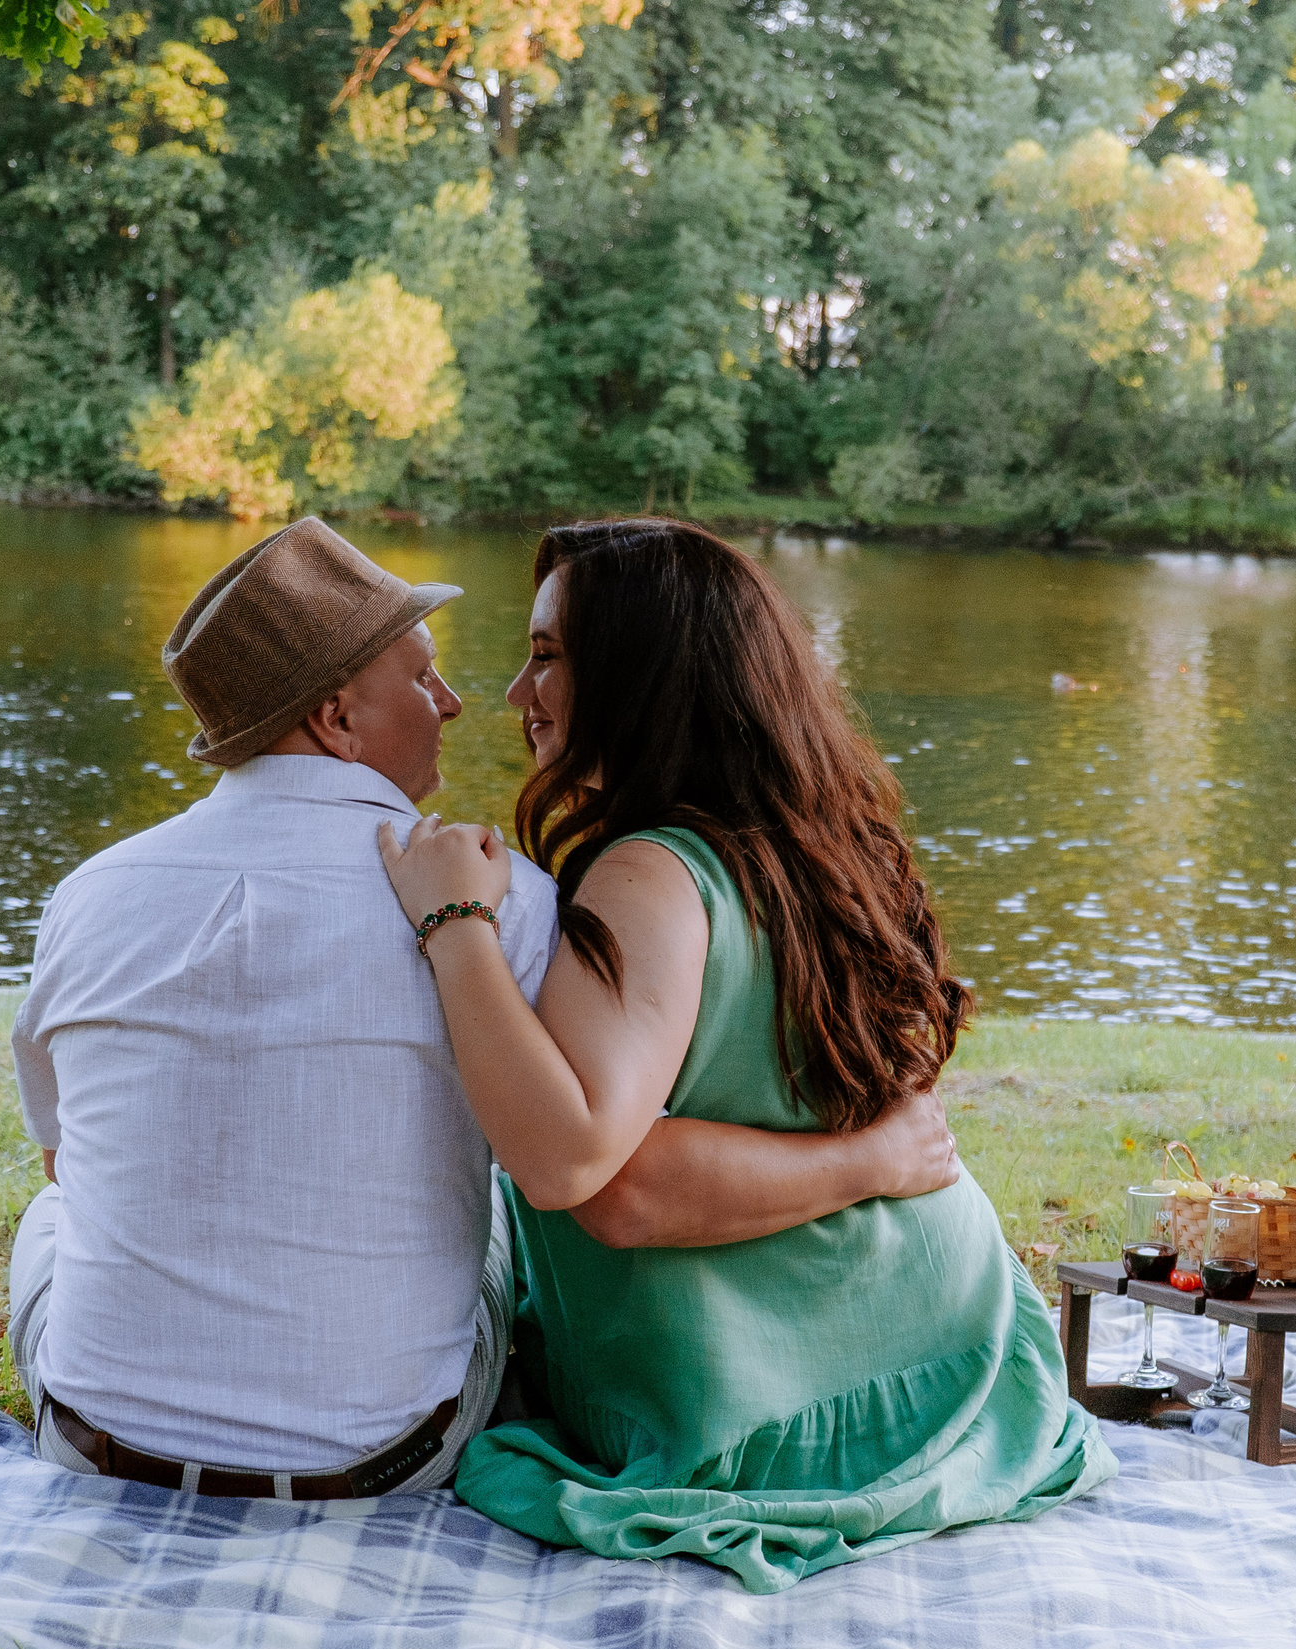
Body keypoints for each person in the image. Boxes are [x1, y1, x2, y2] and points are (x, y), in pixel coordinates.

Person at [7, 517, 958, 1499]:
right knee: (487, 1213)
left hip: (95, 1445)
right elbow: (588, 1167)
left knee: (58, 1208)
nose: (462, 703)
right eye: (424, 679)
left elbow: (62, 1154)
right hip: (386, 1460)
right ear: (338, 719)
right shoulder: (517, 902)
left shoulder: (85, 896)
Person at [375, 517, 1116, 1591]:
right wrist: (869, 1163)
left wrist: (454, 922)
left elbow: (589, 1174)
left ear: (642, 675)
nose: (514, 692)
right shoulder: (823, 844)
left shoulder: (648, 874)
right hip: (958, 1350)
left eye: (545, 655)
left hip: (765, 1408)